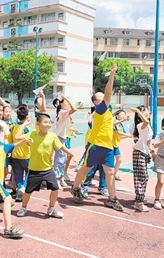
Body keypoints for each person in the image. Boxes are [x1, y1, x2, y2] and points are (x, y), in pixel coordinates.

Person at [71, 63, 123, 211]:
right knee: (86, 169)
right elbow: (108, 93)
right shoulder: (99, 110)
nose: (105, 98)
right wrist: (112, 74)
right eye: (100, 97)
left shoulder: (106, 112)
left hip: (107, 147)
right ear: (95, 102)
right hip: (95, 145)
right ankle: (75, 188)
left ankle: (112, 199)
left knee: (110, 172)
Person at [15, 113, 74, 218]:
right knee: (28, 192)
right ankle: (23, 207)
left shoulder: (52, 136)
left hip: (47, 169)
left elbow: (61, 147)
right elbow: (17, 136)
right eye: (45, 122)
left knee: (55, 189)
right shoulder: (32, 134)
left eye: (49, 122)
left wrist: (71, 154)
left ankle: (51, 208)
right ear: (38, 124)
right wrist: (24, 124)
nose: (48, 124)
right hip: (34, 169)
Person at [130, 106, 153, 212]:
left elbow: (149, 142)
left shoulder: (147, 126)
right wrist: (138, 111)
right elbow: (146, 122)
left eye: (147, 110)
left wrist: (151, 151)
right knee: (141, 177)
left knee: (144, 177)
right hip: (139, 153)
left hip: (144, 153)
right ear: (139, 115)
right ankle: (139, 202)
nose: (148, 112)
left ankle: (140, 198)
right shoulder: (141, 125)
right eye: (145, 111)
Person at [52, 95, 77, 187]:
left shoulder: (63, 112)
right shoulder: (62, 112)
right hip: (58, 137)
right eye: (66, 102)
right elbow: (75, 109)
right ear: (61, 104)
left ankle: (60, 176)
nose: (69, 103)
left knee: (62, 158)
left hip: (62, 137)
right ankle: (56, 178)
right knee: (60, 158)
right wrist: (67, 99)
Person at [7, 105, 30, 202]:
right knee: (30, 173)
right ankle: (23, 187)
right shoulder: (27, 128)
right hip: (26, 155)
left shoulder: (12, 127)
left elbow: (10, 141)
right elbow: (30, 142)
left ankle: (19, 192)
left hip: (15, 155)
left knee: (18, 175)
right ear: (27, 117)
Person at [112, 109, 130, 181]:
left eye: (124, 114)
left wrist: (131, 136)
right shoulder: (115, 122)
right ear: (116, 115)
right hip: (110, 145)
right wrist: (129, 135)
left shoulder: (120, 124)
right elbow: (119, 133)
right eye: (121, 114)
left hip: (115, 145)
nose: (123, 115)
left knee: (119, 160)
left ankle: (114, 174)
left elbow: (121, 136)